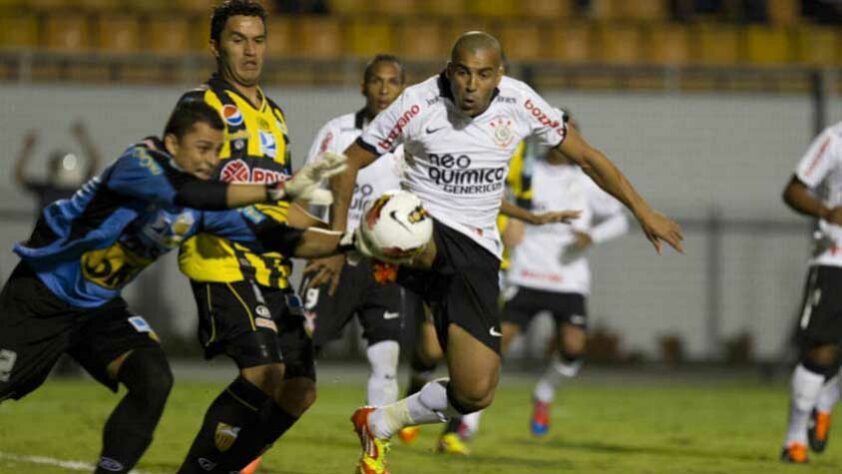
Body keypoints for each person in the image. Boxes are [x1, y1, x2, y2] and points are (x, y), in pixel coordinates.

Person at [327, 31, 684, 474]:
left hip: (477, 250)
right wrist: (335, 241)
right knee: (403, 225)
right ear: (448, 70)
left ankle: (380, 422)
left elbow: (587, 158)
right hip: (425, 228)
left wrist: (642, 210)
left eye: (483, 74)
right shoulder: (417, 104)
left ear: (500, 75)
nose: (471, 85)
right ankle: (378, 251)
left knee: (475, 392)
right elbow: (346, 165)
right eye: (462, 73)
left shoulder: (520, 102)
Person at [0, 101, 347, 474]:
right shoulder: (141, 163)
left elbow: (279, 238)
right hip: (40, 297)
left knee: (153, 379)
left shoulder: (205, 204)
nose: (209, 160)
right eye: (202, 148)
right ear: (172, 142)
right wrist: (276, 190)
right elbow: (187, 194)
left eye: (216, 150)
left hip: (97, 307)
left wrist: (356, 242)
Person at [174, 2, 324, 472]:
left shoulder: (274, 116)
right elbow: (192, 187)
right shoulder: (200, 106)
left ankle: (223, 466)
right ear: (216, 46)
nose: (250, 50)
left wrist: (345, 238)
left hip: (271, 266)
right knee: (264, 373)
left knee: (300, 391)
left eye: (258, 39)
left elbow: (280, 201)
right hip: (223, 256)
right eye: (238, 39)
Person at [496, 112, 630, 439]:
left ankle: (544, 393)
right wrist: (504, 229)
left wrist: (592, 236)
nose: (572, 142)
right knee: (494, 348)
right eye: (566, 134)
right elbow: (496, 205)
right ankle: (464, 426)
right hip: (525, 274)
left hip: (568, 278)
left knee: (573, 347)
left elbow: (621, 220)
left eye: (576, 136)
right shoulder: (525, 172)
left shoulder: (586, 180)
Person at [300, 54, 414, 412]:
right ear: (363, 86)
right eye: (377, 81)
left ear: (403, 89)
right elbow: (306, 189)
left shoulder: (414, 142)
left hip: (385, 263)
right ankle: (249, 448)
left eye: (392, 82)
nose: (384, 89)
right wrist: (321, 243)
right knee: (298, 356)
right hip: (335, 259)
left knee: (386, 362)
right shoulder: (338, 133)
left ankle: (374, 454)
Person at [779, 120, 842, 463]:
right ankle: (794, 440)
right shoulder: (835, 139)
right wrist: (827, 211)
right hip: (836, 259)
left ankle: (827, 398)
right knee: (822, 351)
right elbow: (793, 190)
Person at [14, 120, 101, 211]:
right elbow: (19, 177)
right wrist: (27, 149)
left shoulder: (78, 187)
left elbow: (95, 162)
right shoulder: (47, 189)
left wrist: (83, 138)